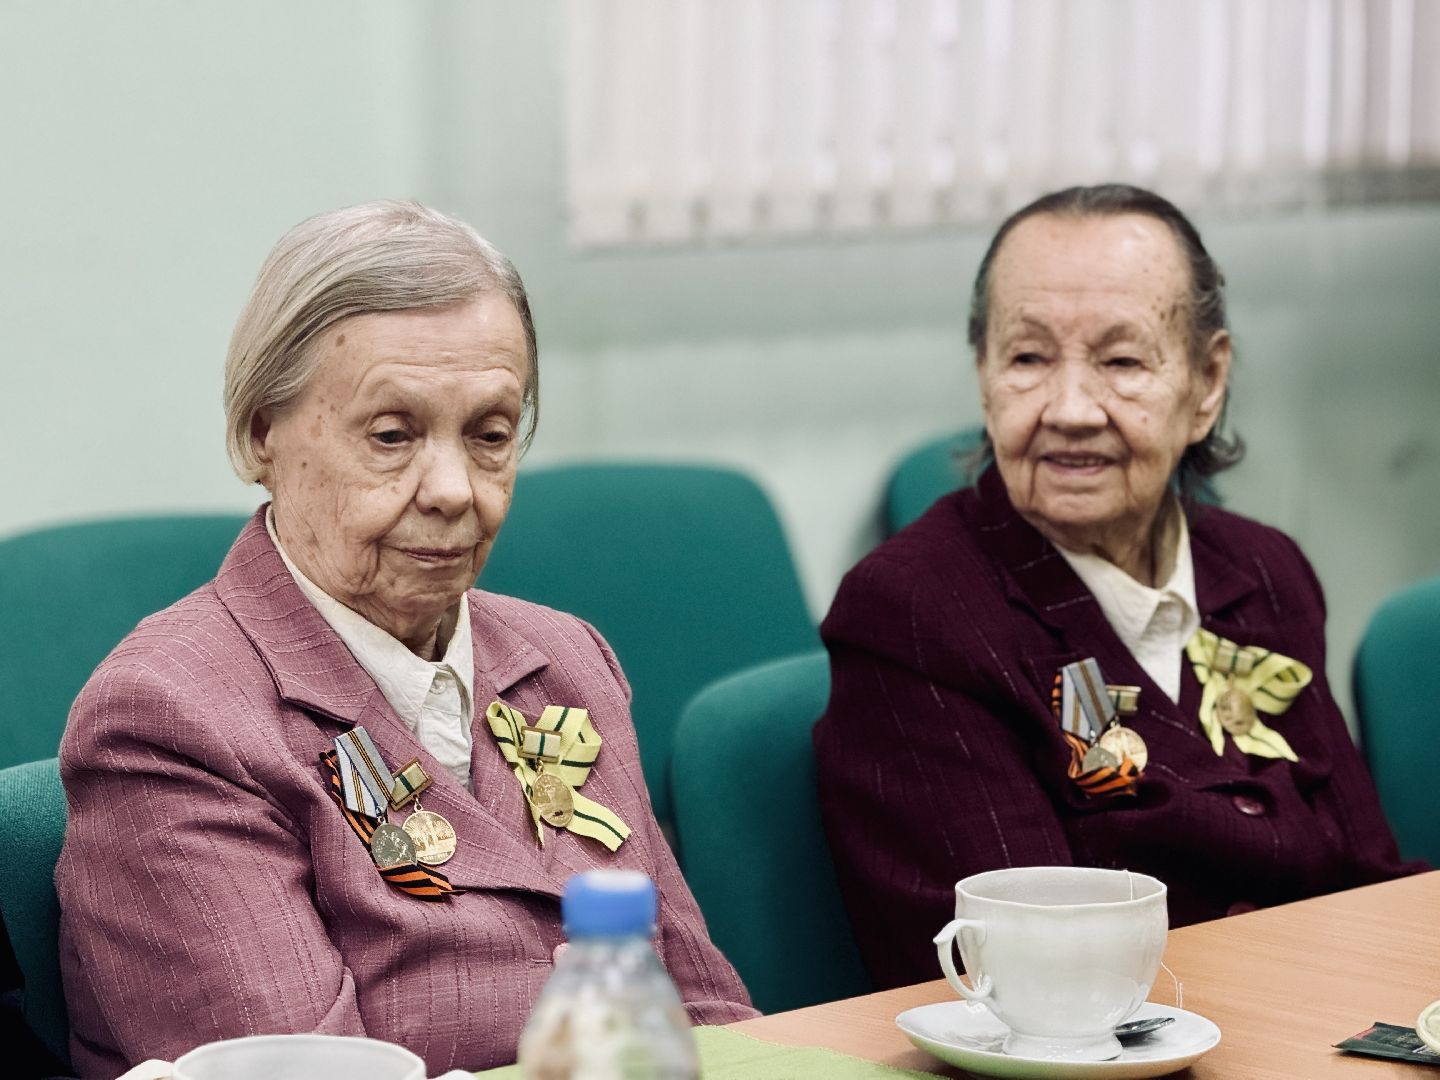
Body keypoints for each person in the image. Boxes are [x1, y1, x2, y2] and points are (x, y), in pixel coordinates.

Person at [56, 200, 755, 1078]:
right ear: (258, 434)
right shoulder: (171, 719)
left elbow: (711, 1020)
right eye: (393, 436)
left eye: (490, 435)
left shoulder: (567, 661)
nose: (455, 489)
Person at [813, 184, 1422, 990]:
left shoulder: (1264, 572)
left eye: (1122, 360)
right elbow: (1025, 976)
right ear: (984, 376)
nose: (1069, 408)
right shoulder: (919, 609)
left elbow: (1366, 880)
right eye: (1028, 359)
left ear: (1207, 384)